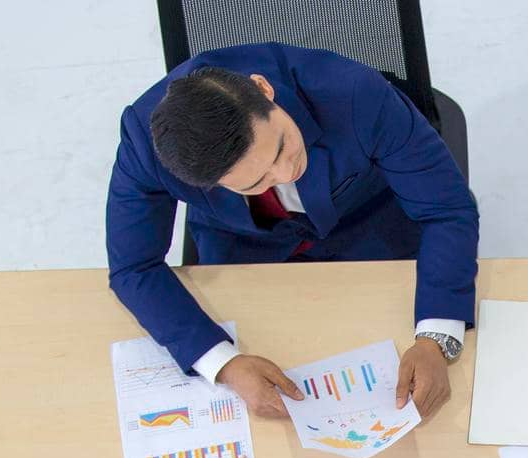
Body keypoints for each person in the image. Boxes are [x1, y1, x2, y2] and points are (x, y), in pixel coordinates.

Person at [107, 42, 480, 419]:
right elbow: (134, 268)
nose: (286, 174)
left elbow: (446, 209)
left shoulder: (353, 92)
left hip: (367, 224)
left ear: (264, 89)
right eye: (256, 182)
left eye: (282, 145)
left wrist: (437, 337)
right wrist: (222, 363)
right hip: (245, 245)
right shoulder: (145, 145)